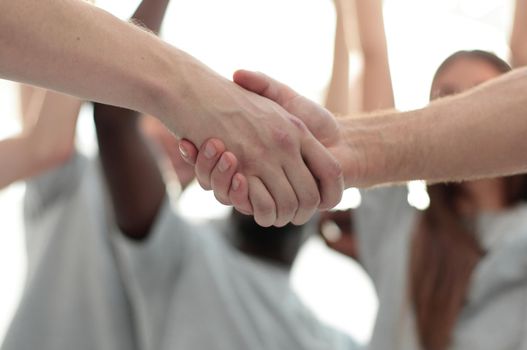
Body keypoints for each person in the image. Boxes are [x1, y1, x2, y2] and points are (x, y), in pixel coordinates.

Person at [200, 50, 527, 350]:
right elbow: (372, 59)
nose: (462, 111)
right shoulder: (401, 227)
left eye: (480, 93)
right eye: (447, 99)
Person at [0, 0, 343, 227]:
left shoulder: (164, 231)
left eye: (191, 168)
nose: (184, 159)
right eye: (189, 139)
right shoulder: (70, 172)